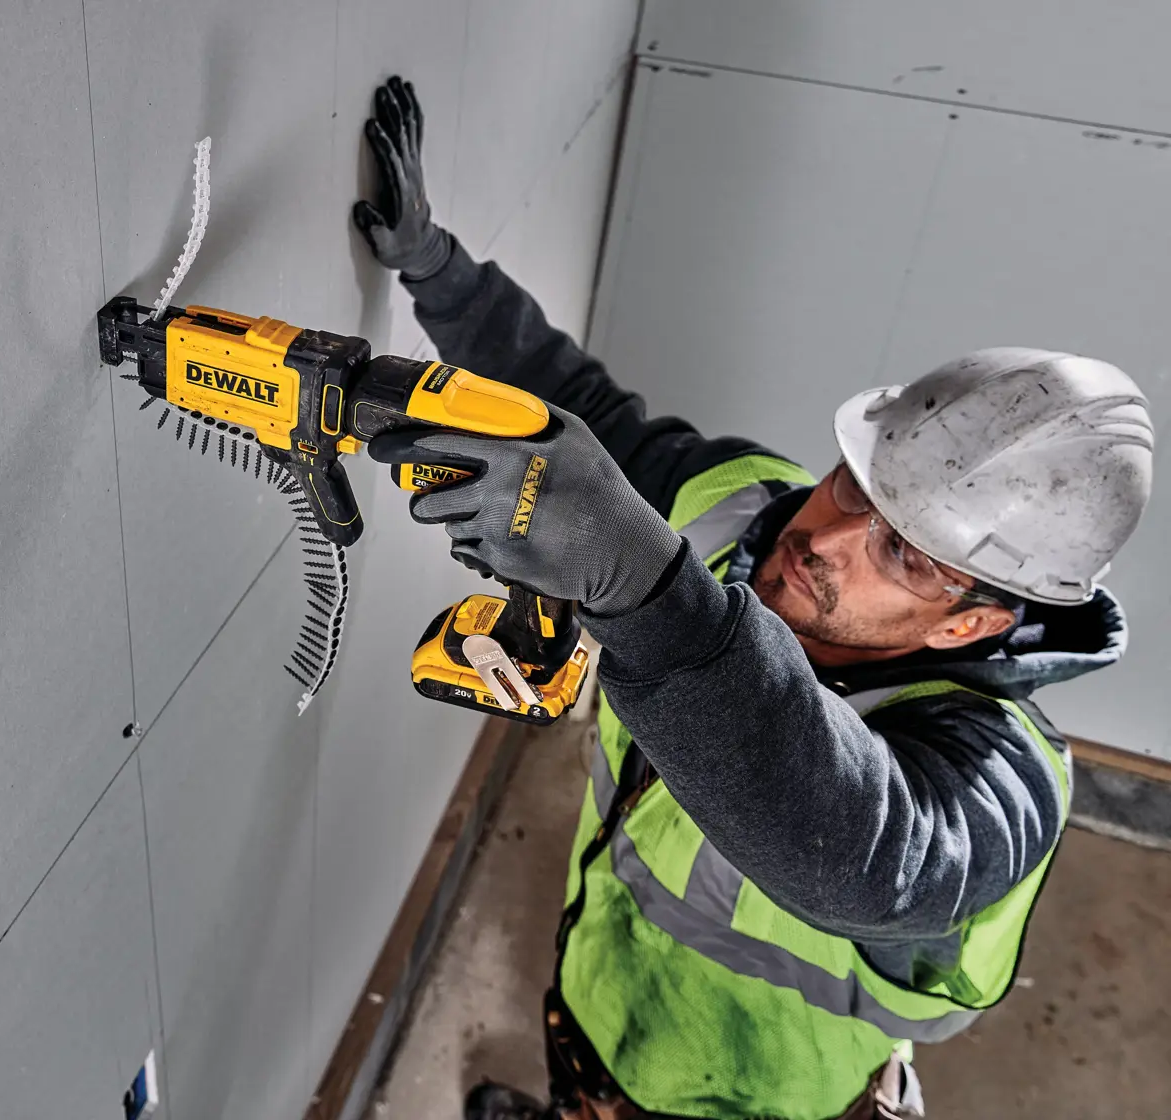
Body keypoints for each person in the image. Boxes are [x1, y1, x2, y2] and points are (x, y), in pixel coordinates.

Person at [352, 77, 1156, 1120]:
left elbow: (867, 857)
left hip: (747, 1100)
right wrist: (440, 273)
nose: (822, 538)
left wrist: (641, 590)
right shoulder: (744, 506)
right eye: (854, 486)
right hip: (602, 988)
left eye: (906, 555)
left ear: (977, 620)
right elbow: (581, 411)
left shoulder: (1003, 780)